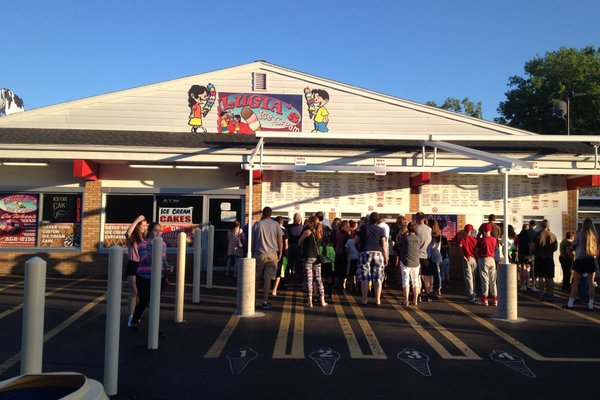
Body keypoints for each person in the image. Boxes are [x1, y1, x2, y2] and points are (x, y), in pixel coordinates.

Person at [130, 222, 168, 330]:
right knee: (144, 300)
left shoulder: (163, 244)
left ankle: (155, 329)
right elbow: (145, 260)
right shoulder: (143, 244)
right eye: (155, 230)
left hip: (158, 277)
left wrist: (166, 267)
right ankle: (134, 321)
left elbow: (163, 259)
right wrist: (154, 248)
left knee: (155, 301)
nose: (158, 232)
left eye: (159, 230)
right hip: (144, 277)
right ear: (150, 231)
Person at [253, 207, 283, 310]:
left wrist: (252, 252)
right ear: (271, 214)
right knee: (267, 279)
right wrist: (280, 252)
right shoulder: (275, 225)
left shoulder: (257, 224)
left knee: (256, 279)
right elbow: (280, 240)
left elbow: (252, 239)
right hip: (272, 254)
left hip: (259, 254)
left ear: (262, 213)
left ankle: (252, 300)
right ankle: (265, 301)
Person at [355, 212, 388, 305]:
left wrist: (359, 248)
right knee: (378, 277)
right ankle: (377, 299)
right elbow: (384, 245)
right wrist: (385, 257)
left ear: (369, 219)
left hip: (365, 252)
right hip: (378, 252)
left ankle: (364, 299)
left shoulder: (362, 228)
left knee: (365, 277)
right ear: (378, 220)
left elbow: (356, 241)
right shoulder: (381, 230)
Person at [565, 218, 599, 310]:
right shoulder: (595, 235)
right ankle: (591, 304)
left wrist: (570, 251)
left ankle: (570, 303)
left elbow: (573, 246)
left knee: (576, 283)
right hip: (590, 260)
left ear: (583, 224)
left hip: (580, 260)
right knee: (591, 283)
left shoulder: (579, 234)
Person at [298, 215, 328, 307]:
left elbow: (299, 242)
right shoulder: (320, 233)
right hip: (317, 258)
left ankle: (309, 301)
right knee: (319, 279)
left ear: (311, 222)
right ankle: (322, 300)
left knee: (309, 279)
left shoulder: (307, 232)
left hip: (308, 257)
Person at [125, 215, 148, 329]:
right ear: (138, 226)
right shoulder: (132, 238)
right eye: (142, 225)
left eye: (145, 225)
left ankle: (135, 316)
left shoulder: (145, 239)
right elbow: (128, 232)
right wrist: (137, 220)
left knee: (139, 293)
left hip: (142, 266)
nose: (144, 227)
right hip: (133, 265)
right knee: (133, 291)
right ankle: (130, 317)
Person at [532, 220, 558, 301]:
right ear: (548, 226)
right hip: (549, 258)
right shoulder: (553, 235)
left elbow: (532, 247)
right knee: (550, 277)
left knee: (540, 277)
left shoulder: (536, 234)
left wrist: (535, 252)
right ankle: (550, 293)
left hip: (539, 257)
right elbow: (555, 248)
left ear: (541, 226)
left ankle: (541, 293)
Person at [399, 222, 421, 306]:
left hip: (405, 262)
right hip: (416, 262)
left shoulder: (405, 238)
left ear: (408, 228)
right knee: (415, 282)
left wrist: (405, 232)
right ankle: (415, 300)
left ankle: (406, 300)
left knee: (405, 281)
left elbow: (399, 243)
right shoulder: (419, 238)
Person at [476, 223, 498, 306]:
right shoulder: (494, 239)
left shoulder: (481, 240)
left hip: (483, 259)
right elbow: (496, 249)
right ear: (490, 231)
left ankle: (485, 298)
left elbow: (477, 250)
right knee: (493, 280)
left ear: (483, 231)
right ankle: (495, 298)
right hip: (492, 259)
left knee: (485, 280)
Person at [415, 212, 433, 301]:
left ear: (417, 218)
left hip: (417, 256)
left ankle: (418, 295)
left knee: (417, 276)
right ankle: (428, 294)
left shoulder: (416, 229)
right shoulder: (429, 229)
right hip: (427, 256)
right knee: (427, 276)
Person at [458, 224, 478, 303]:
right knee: (473, 278)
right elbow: (476, 250)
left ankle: (470, 296)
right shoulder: (475, 239)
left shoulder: (462, 239)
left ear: (465, 230)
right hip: (474, 259)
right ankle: (473, 294)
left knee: (468, 278)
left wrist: (463, 255)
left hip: (467, 259)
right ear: (471, 230)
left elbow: (460, 247)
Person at [272, 216, 289, 296]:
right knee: (279, 271)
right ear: (282, 222)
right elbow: (286, 244)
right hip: (280, 253)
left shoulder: (272, 229)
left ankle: (269, 287)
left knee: (270, 271)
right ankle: (274, 290)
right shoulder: (284, 230)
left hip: (271, 251)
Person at [286, 213, 304, 282]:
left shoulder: (288, 227)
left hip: (290, 246)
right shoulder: (302, 228)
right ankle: (299, 280)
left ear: (293, 219)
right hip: (299, 247)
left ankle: (287, 279)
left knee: (289, 263)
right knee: (299, 264)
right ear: (300, 219)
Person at [517, 223, 536, 291]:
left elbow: (516, 244)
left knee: (523, 269)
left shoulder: (519, 235)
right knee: (531, 269)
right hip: (531, 254)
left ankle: (523, 285)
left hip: (522, 254)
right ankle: (531, 285)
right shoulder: (531, 234)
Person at [428, 219, 443, 297]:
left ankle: (437, 289)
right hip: (436, 256)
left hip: (434, 256)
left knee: (436, 274)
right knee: (436, 273)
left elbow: (433, 246)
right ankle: (437, 289)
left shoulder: (435, 235)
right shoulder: (438, 234)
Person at [335, 220, 351, 289]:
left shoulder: (337, 232)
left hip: (337, 251)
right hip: (344, 253)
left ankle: (336, 282)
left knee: (337, 268)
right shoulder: (347, 234)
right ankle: (343, 284)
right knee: (344, 269)